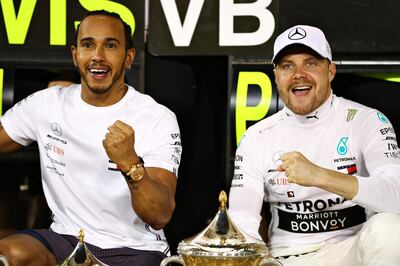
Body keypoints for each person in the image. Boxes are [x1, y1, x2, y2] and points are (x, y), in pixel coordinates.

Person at [0, 10, 181, 266]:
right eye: (88, 45)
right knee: (8, 255)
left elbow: (159, 215)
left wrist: (130, 163)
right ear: (75, 55)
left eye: (110, 45)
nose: (97, 56)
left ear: (129, 58)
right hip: (64, 239)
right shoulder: (47, 105)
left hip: (134, 249)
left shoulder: (157, 118)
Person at [228, 25, 400, 266]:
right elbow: (242, 218)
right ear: (276, 76)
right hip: (286, 259)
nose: (299, 74)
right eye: (288, 66)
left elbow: (396, 194)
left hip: (353, 253)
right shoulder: (256, 137)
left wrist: (319, 176)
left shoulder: (366, 120)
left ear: (330, 71)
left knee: (391, 228)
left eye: (310, 63)